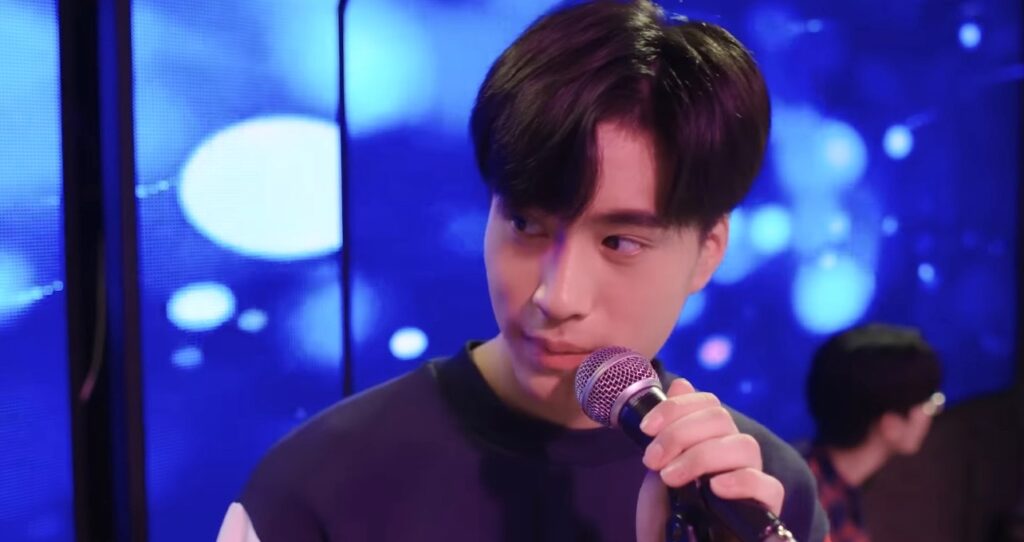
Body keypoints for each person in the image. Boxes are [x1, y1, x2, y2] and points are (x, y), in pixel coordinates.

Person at [218, 1, 829, 540]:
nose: (555, 296)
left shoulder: (761, 500)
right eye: (526, 224)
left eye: (619, 242)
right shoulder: (316, 485)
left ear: (708, 251)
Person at [802, 323, 943, 542]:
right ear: (890, 425)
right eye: (929, 404)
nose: (932, 414)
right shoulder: (810, 509)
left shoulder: (827, 482)